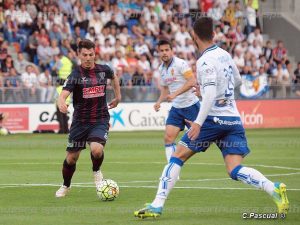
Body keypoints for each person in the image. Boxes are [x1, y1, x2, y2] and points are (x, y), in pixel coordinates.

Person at [134, 17, 289, 218]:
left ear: (194, 37)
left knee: (177, 156)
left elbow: (208, 94)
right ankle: (273, 188)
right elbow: (238, 81)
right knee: (234, 169)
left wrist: (198, 122)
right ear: (214, 34)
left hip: (212, 120)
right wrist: (220, 96)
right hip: (233, 119)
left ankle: (157, 204)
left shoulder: (204, 60)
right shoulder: (225, 54)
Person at [55, 39, 121, 198]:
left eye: (91, 54)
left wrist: (118, 97)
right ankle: (66, 185)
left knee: (97, 150)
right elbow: (63, 94)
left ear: (94, 54)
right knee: (71, 158)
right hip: (80, 122)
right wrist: (61, 102)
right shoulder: (75, 75)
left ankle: (97, 172)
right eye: (84, 55)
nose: (88, 58)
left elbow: (114, 77)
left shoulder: (103, 70)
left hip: (100, 119)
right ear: (79, 54)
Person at [154, 39, 200, 163]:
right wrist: (159, 101)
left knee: (202, 139)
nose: (164, 53)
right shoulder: (161, 69)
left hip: (191, 106)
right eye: (161, 51)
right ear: (158, 53)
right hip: (176, 108)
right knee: (168, 138)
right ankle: (172, 167)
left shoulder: (181, 64)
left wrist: (175, 94)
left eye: (167, 50)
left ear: (172, 51)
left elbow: (192, 81)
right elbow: (164, 88)